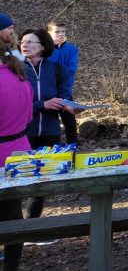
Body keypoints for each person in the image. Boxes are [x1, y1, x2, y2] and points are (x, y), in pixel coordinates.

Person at [20, 28, 75, 219]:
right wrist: (41, 105)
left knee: (40, 183)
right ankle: (12, 226)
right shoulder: (15, 70)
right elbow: (14, 105)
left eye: (30, 42)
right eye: (22, 42)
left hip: (50, 133)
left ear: (43, 46)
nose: (24, 45)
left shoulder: (58, 69)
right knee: (16, 179)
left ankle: (31, 225)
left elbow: (65, 97)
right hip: (22, 134)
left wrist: (68, 106)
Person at [0, 40, 33, 271]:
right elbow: (28, 117)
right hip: (20, 152)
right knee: (13, 214)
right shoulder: (19, 76)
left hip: (3, 154)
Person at [46, 21, 79, 145]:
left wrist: (58, 70)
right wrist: (52, 48)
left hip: (65, 90)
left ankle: (73, 146)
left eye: (63, 31)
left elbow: (71, 69)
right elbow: (45, 68)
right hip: (48, 90)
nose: (61, 34)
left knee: (69, 121)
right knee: (49, 120)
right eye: (57, 32)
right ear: (49, 33)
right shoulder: (45, 49)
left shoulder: (72, 49)